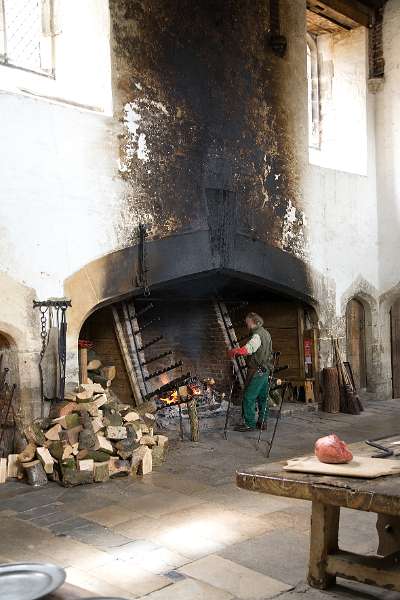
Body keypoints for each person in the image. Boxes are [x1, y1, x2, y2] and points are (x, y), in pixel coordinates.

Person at [228, 312, 273, 432]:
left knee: (249, 397)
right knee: (263, 397)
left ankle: (249, 424)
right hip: (266, 370)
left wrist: (235, 351)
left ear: (252, 321)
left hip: (257, 371)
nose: (246, 323)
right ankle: (262, 422)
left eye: (247, 321)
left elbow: (248, 349)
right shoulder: (266, 333)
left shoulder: (257, 335)